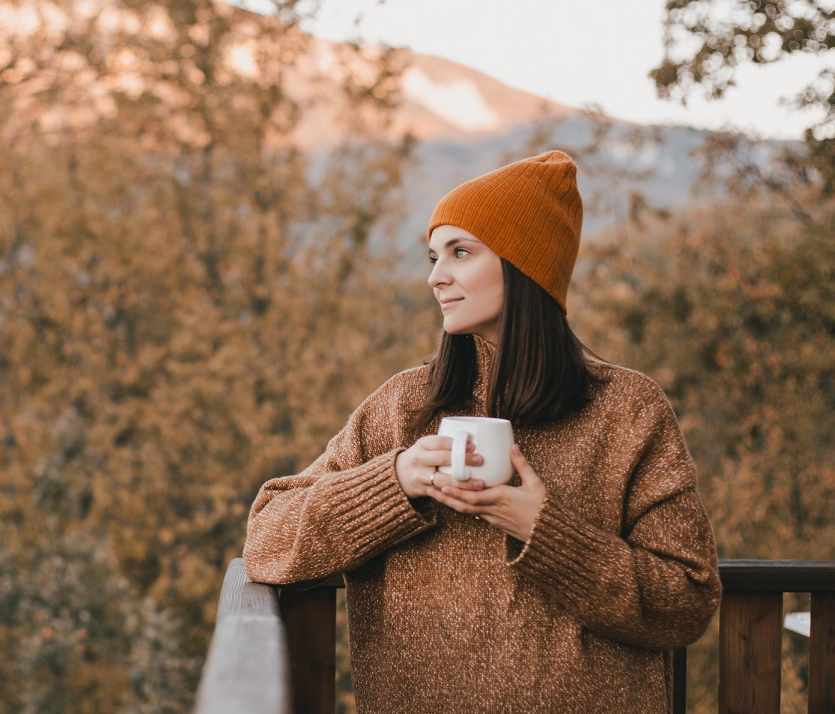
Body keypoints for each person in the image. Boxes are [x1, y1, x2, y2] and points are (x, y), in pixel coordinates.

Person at [242, 151, 721, 713]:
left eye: (460, 253)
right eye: (433, 255)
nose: (434, 276)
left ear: (526, 268)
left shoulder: (627, 412)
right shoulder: (402, 407)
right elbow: (266, 540)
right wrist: (392, 481)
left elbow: (687, 601)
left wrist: (544, 532)